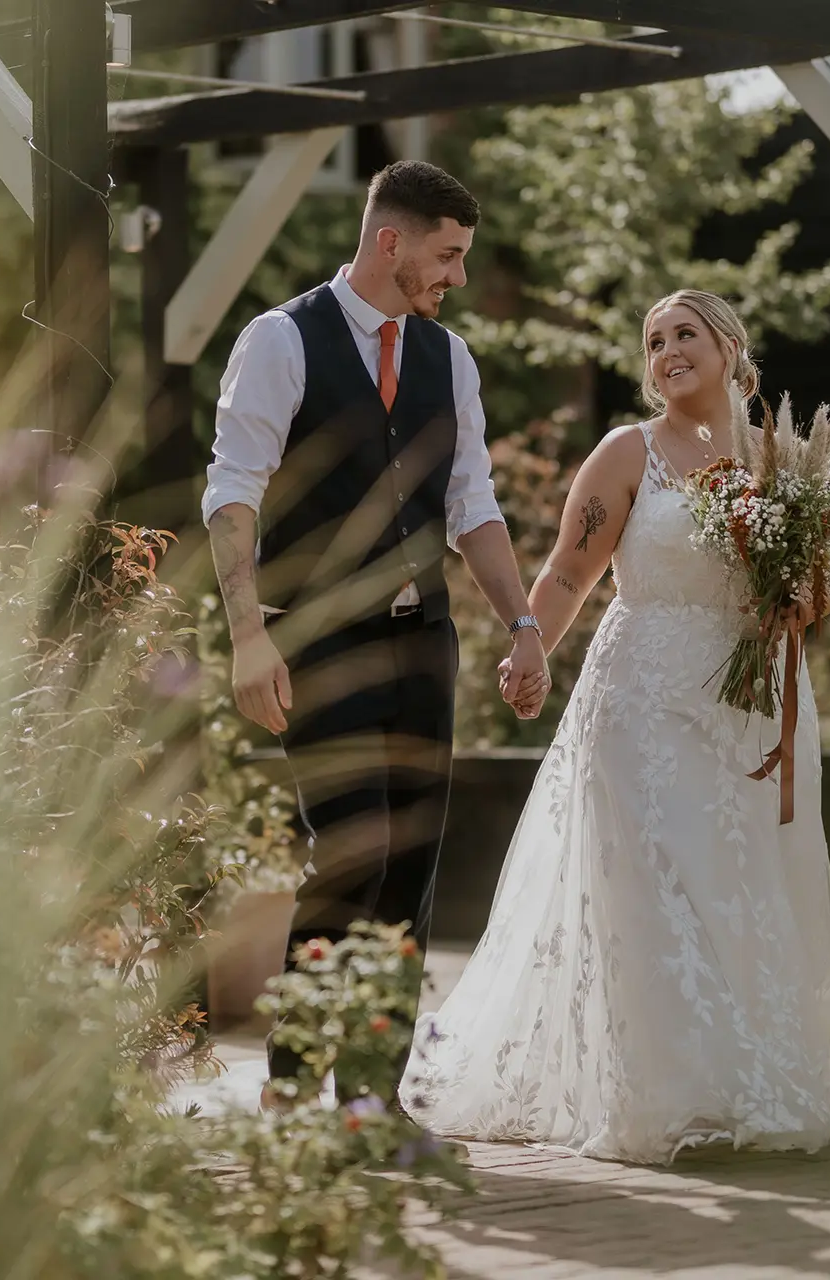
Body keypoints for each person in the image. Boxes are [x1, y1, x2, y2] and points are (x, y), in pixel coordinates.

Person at [403, 290, 830, 1162]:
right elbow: (572, 570)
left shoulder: (781, 459)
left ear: (729, 347)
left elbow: (812, 581)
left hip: (751, 701)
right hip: (643, 699)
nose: (668, 351)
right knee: (652, 884)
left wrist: (806, 597)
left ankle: (744, 1084)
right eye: (653, 341)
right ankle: (666, 1095)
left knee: (740, 882)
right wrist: (530, 649)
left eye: (685, 334)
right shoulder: (626, 452)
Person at [203, 161, 545, 1106]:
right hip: (319, 641)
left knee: (414, 863)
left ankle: (367, 1095)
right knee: (351, 852)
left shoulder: (450, 358)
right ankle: (294, 1079)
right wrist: (246, 638)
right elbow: (233, 494)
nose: (457, 277)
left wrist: (521, 624)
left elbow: (473, 506)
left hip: (423, 643)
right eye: (447, 255)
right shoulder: (281, 341)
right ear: (389, 240)